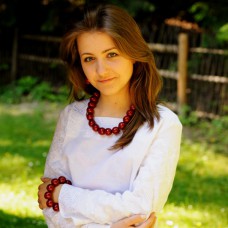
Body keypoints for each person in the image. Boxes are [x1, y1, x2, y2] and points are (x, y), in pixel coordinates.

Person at [38, 4, 182, 228]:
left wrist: (63, 194)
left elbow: (139, 209)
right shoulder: (71, 117)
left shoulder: (163, 124)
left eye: (111, 54)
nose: (101, 70)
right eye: (89, 59)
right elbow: (49, 207)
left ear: (134, 54)